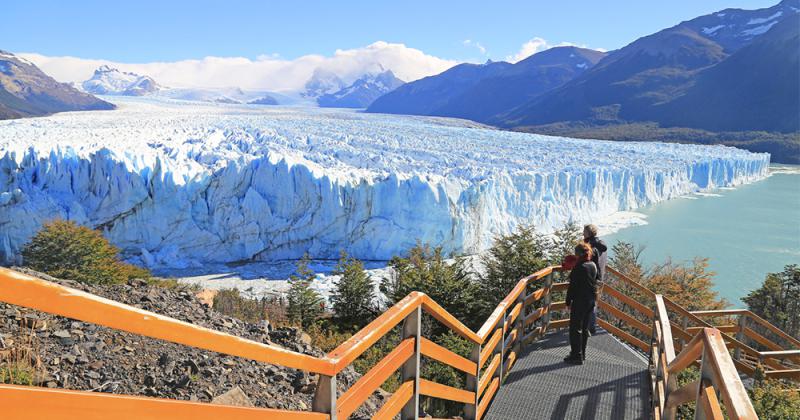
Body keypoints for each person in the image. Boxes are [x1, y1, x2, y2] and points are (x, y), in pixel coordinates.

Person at [564, 242, 598, 364]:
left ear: (578, 254)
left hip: (580, 301)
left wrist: (568, 301)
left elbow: (572, 287)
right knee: (584, 328)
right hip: (591, 300)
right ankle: (582, 354)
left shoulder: (579, 267)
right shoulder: (592, 265)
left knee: (575, 328)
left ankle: (575, 355)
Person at [583, 224, 607, 335]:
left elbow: (588, 262)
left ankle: (589, 327)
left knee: (589, 303)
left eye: (584, 231)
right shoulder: (601, 244)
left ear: (588, 233)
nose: (583, 233)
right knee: (593, 302)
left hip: (591, 278)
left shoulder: (590, 247)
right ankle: (590, 326)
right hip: (599, 277)